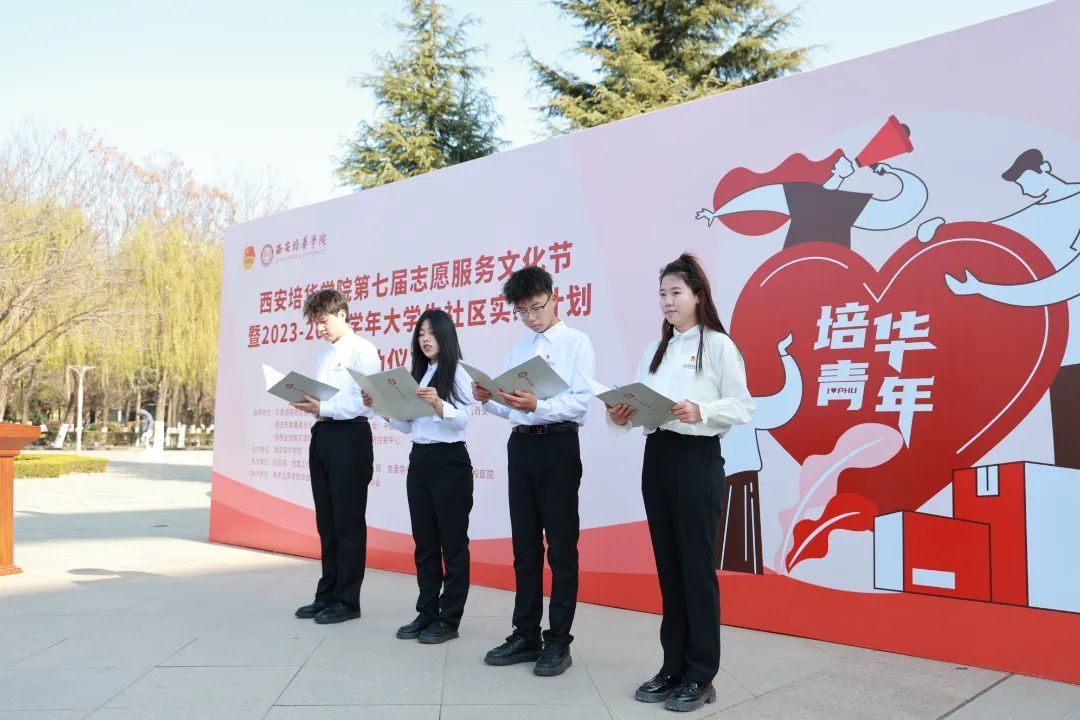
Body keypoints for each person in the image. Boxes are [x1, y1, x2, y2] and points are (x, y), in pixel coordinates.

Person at [608, 254, 754, 712]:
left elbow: (743, 405)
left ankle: (700, 673)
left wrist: (702, 410)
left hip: (696, 459)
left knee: (696, 570)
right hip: (658, 457)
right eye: (662, 294)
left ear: (697, 295)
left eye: (676, 292)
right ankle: (672, 667)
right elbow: (638, 407)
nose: (668, 302)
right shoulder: (657, 349)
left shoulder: (719, 346)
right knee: (669, 569)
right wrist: (621, 415)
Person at [473, 265, 596, 677]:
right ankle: (525, 634)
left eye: (537, 307)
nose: (531, 317)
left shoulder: (577, 342)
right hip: (521, 446)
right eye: (522, 311)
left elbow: (580, 403)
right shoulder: (519, 349)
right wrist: (488, 398)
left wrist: (538, 406)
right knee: (524, 546)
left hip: (559, 445)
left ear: (553, 298)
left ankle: (558, 641)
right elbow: (512, 409)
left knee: (561, 547)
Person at [365, 309, 475, 644]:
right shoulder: (420, 373)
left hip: (450, 462)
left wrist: (440, 405)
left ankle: (449, 619)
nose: (425, 339)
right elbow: (408, 425)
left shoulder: (458, 372)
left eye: (431, 332)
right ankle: (426, 611)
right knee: (425, 543)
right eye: (421, 333)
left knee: (452, 544)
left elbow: (464, 419)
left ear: (446, 335)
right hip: (420, 461)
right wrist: (381, 408)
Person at [291, 289, 380, 624]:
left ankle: (347, 600)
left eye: (323, 321)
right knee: (326, 522)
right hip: (323, 434)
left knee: (348, 522)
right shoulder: (324, 356)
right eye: (315, 323)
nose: (319, 329)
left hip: (350, 437)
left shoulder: (363, 350)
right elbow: (324, 400)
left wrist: (324, 406)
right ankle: (326, 593)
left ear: (342, 314)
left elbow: (363, 401)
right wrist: (312, 405)